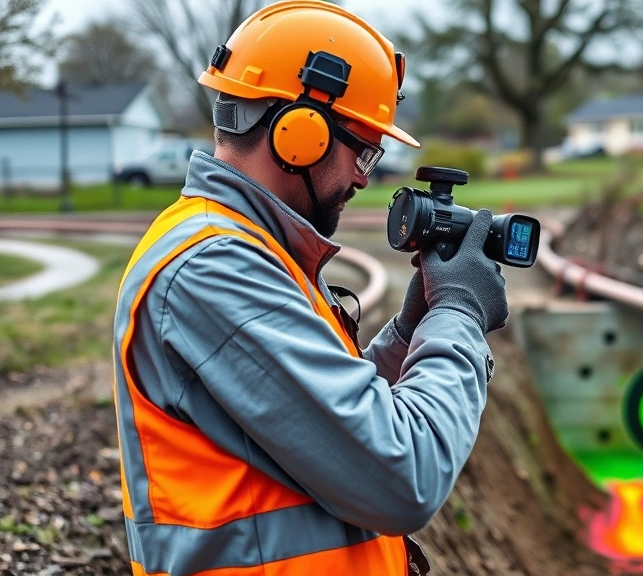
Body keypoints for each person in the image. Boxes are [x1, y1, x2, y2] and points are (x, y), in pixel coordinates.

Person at [111, 2, 508, 575]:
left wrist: (409, 332)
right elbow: (403, 478)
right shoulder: (214, 268)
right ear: (301, 133)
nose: (363, 176)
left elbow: (323, 419)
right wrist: (461, 312)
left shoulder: (252, 249)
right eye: (363, 148)